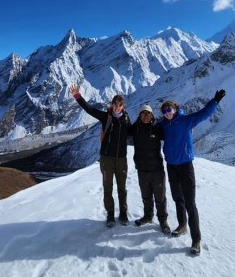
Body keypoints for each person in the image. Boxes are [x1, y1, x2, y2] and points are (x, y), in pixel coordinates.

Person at [159, 89, 226, 256]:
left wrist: (215, 100)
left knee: (190, 202)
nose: (167, 113)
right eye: (164, 111)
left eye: (170, 110)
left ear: (175, 109)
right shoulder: (163, 125)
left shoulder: (186, 120)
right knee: (177, 198)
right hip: (171, 166)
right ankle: (182, 225)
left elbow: (204, 114)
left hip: (185, 165)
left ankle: (196, 240)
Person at [69, 84, 131, 228]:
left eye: (119, 105)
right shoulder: (105, 117)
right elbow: (89, 109)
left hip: (121, 159)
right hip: (106, 159)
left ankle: (123, 214)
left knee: (122, 188)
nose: (117, 107)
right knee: (107, 187)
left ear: (123, 106)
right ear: (112, 105)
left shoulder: (126, 120)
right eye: (115, 104)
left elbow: (134, 132)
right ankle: (110, 215)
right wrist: (77, 96)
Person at [128, 105, 170, 234]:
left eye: (148, 114)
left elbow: (172, 132)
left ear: (152, 116)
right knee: (146, 196)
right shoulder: (135, 129)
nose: (146, 116)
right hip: (142, 170)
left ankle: (163, 220)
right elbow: (122, 128)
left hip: (157, 169)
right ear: (140, 116)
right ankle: (148, 216)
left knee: (160, 197)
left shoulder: (158, 129)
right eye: (143, 114)